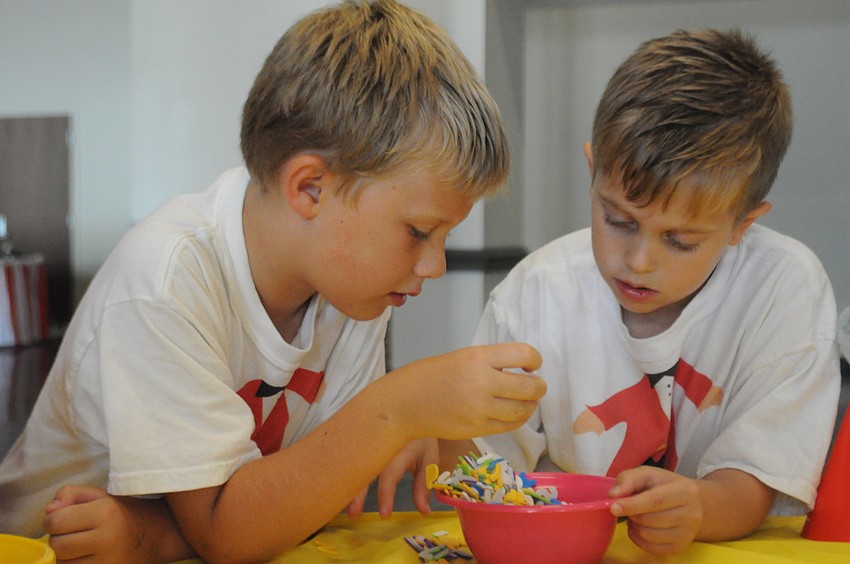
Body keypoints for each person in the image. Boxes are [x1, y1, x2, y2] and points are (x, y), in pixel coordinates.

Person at [0, 1, 547, 562]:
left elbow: (308, 497)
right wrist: (395, 410)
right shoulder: (166, 279)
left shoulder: (351, 292)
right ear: (309, 188)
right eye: (418, 231)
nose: (434, 265)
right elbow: (227, 534)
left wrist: (158, 535)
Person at [441, 28, 841, 555]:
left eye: (680, 241)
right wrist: (437, 432)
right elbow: (480, 473)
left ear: (743, 223)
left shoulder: (784, 287)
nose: (638, 261)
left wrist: (698, 506)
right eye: (618, 219)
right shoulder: (536, 292)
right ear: (593, 172)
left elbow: (757, 484)